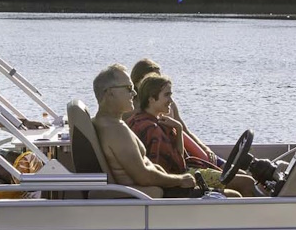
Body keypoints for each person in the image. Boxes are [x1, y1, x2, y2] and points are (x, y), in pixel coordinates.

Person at [90, 64, 214, 197]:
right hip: (149, 197)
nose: (134, 93)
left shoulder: (107, 123)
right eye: (129, 88)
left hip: (152, 192)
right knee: (228, 195)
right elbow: (144, 177)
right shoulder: (116, 132)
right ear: (110, 92)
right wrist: (180, 180)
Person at [128, 71, 258, 196]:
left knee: (244, 179)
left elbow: (179, 159)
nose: (171, 100)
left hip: (182, 174)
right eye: (167, 95)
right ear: (151, 99)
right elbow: (162, 170)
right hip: (177, 181)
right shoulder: (152, 129)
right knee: (246, 183)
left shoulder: (145, 121)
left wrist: (178, 129)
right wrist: (183, 181)